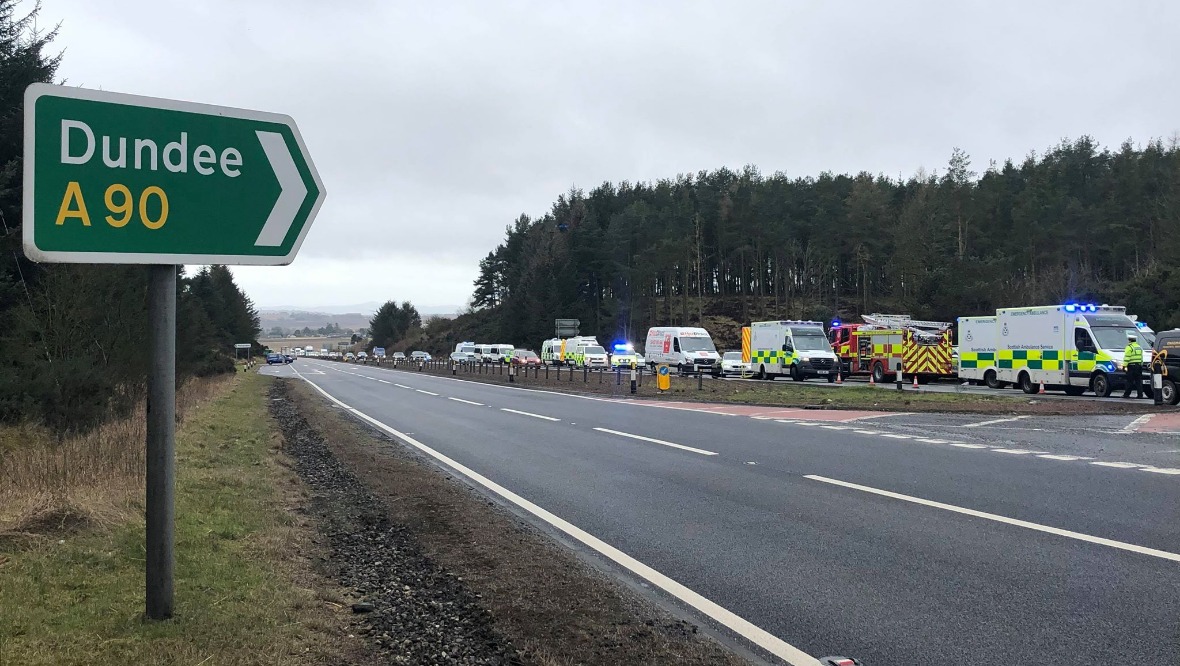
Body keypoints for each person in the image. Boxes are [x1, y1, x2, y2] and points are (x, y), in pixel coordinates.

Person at [1122, 332, 1144, 399]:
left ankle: (1126, 394)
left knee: (1129, 381)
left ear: (1129, 340)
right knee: (1138, 381)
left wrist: (1124, 366)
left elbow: (1127, 358)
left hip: (1131, 366)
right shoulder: (1139, 347)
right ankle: (1140, 395)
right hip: (1138, 366)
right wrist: (1141, 365)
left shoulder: (1129, 347)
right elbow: (1141, 358)